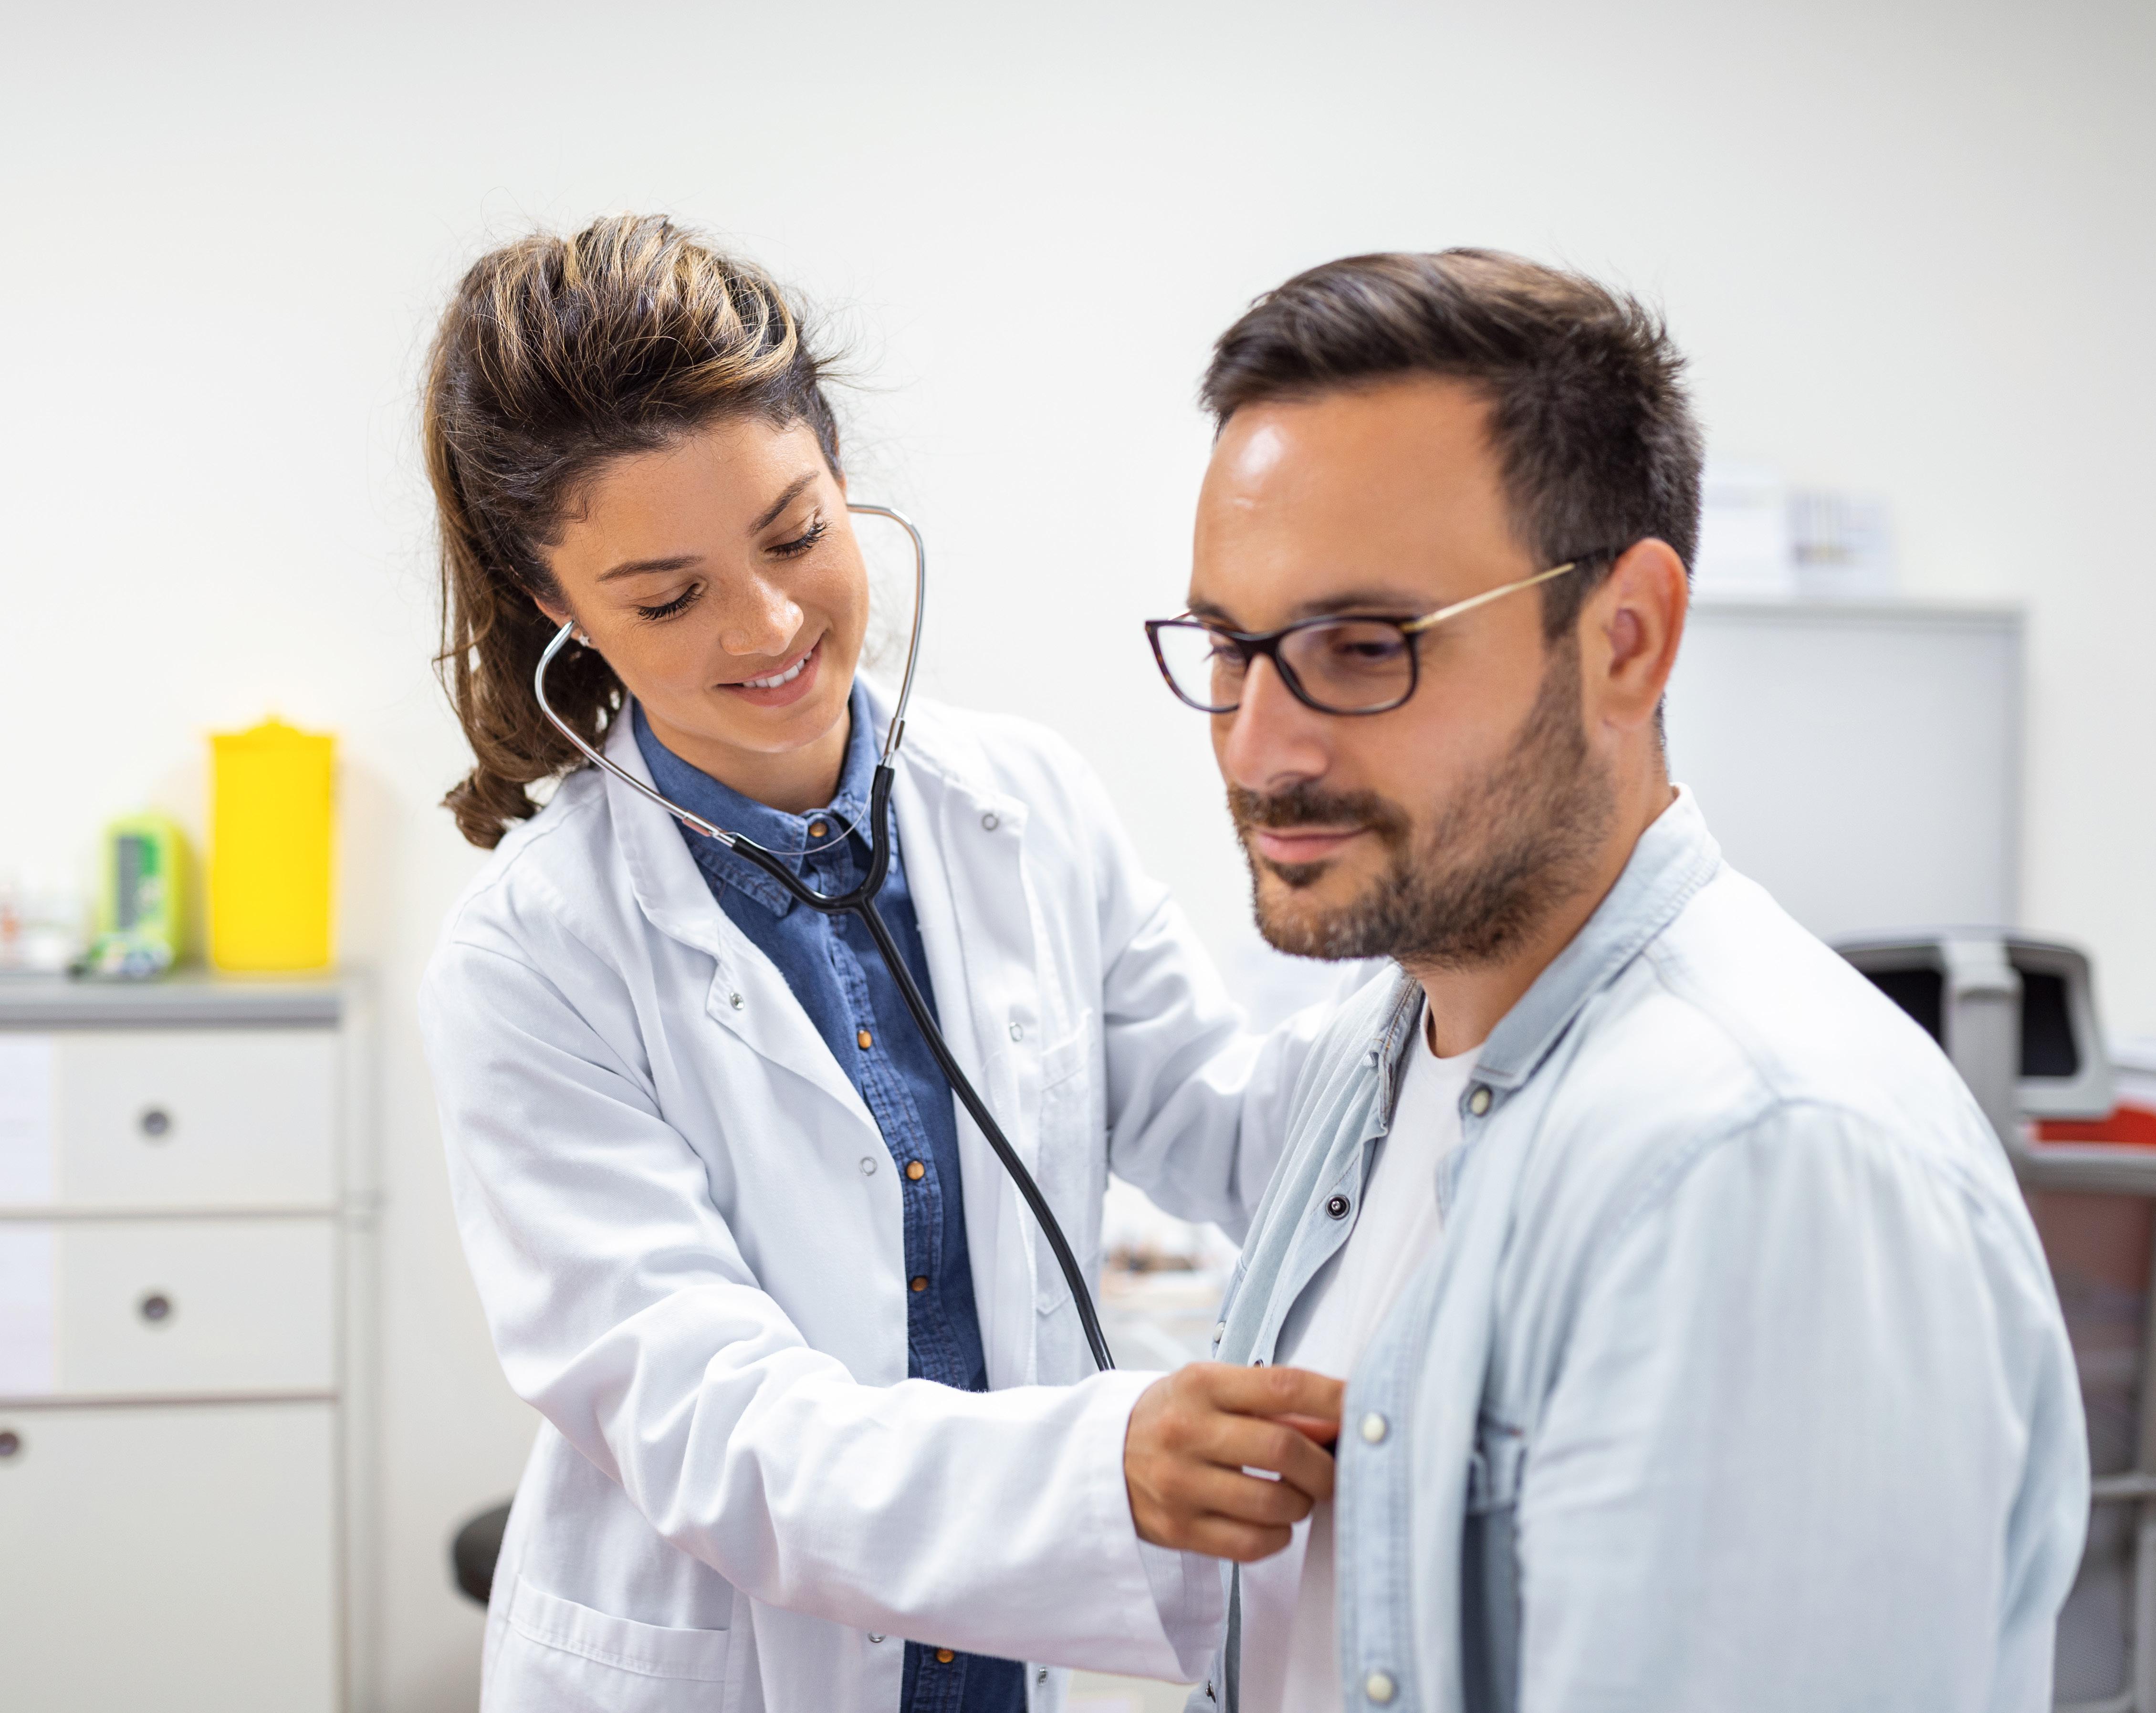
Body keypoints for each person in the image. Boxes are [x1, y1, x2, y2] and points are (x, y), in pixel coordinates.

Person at [416, 213, 1343, 1713]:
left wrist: (1455, 956)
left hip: (997, 1665)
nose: (771, 624)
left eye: (796, 535)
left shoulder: (1026, 807)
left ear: (843, 479)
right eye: (668, 597)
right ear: (556, 606)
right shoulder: (531, 960)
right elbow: (719, 1427)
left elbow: (1238, 1127)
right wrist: (1093, 1471)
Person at [1146, 250, 2090, 1712]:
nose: (1262, 748)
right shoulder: (1383, 1053)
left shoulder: (1754, 1159)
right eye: (1230, 647)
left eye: (1365, 647)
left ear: (1625, 641)